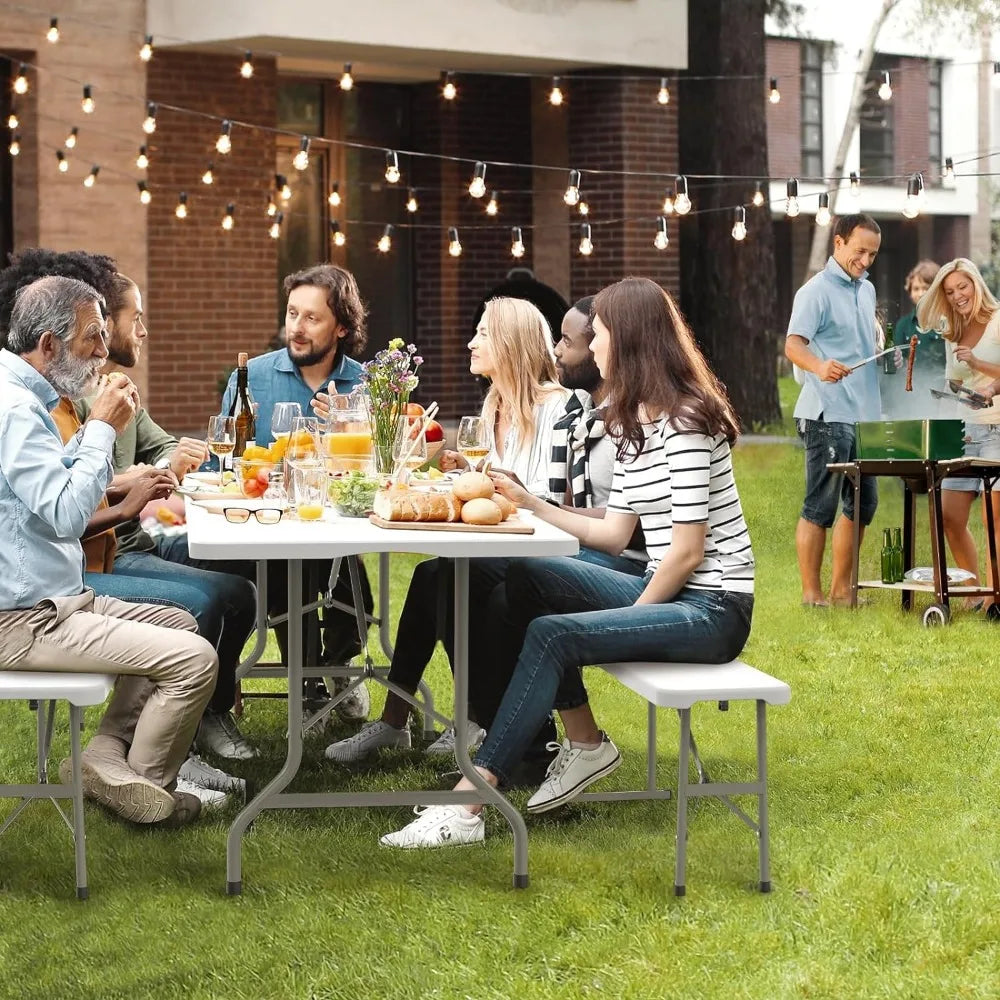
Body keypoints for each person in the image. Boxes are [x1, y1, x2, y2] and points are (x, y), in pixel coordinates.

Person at [379, 276, 754, 848]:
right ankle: (583, 744)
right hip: (666, 587)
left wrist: (627, 626)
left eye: (597, 334)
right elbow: (611, 533)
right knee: (526, 573)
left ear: (628, 340)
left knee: (554, 635)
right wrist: (531, 504)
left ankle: (471, 802)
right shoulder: (635, 420)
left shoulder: (685, 420)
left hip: (713, 607)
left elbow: (687, 550)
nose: (585, 346)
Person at [0, 249, 258, 775]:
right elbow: (68, 517)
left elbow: (47, 493)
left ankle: (104, 760)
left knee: (184, 623)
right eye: (92, 337)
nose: (102, 351)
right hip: (26, 619)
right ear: (49, 345)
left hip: (57, 599)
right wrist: (102, 430)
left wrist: (105, 454)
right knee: (194, 658)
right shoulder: (16, 409)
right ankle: (146, 784)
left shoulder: (27, 398)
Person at [324, 296, 569, 764]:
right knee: (432, 577)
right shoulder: (496, 403)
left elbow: (550, 497)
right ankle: (404, 722)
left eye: (482, 334)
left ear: (511, 344)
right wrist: (459, 473)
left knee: (449, 579)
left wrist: (490, 485)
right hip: (502, 541)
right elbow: (492, 483)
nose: (471, 342)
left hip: (542, 550)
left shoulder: (558, 409)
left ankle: (469, 720)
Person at [220, 263, 372, 721]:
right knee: (296, 559)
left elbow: (376, 470)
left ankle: (339, 661)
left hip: (338, 521)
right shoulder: (253, 377)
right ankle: (307, 676)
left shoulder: (364, 384)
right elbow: (223, 463)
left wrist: (346, 427)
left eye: (312, 318)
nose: (297, 328)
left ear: (341, 326)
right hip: (267, 525)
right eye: (292, 314)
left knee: (340, 550)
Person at [784, 214, 882, 607]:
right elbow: (793, 346)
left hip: (863, 415)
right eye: (860, 251)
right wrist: (820, 367)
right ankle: (812, 595)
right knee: (820, 504)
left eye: (873, 254)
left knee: (864, 503)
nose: (866, 260)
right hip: (825, 413)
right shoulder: (815, 291)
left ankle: (843, 591)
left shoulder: (867, 289)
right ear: (838, 242)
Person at [917, 259, 1000, 606]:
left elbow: (986, 373)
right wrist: (949, 392)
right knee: (950, 517)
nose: (957, 296)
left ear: (976, 284)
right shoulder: (952, 330)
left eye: (962, 287)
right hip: (962, 432)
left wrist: (979, 367)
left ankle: (997, 598)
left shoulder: (998, 321)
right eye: (949, 292)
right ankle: (976, 592)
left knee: (994, 521)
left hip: (996, 428)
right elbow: (957, 379)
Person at [894, 259, 943, 396]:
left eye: (926, 288)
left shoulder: (948, 323)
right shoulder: (903, 325)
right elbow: (898, 362)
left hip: (943, 393)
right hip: (912, 394)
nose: (921, 293)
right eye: (916, 289)